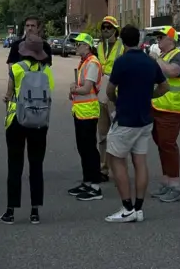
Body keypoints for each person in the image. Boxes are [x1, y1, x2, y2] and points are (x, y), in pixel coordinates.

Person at [103, 25, 170, 223]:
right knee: (140, 161)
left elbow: (109, 90)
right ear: (140, 41)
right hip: (145, 119)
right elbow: (165, 86)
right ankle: (139, 208)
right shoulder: (150, 62)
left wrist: (116, 99)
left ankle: (127, 207)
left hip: (126, 119)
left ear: (123, 41)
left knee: (116, 159)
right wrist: (150, 95)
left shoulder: (121, 62)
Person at [0, 34, 55, 225]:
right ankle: (35, 211)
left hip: (17, 120)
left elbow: (9, 94)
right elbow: (49, 95)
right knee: (36, 165)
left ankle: (10, 211)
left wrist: (7, 99)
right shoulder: (47, 71)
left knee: (15, 165)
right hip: (39, 121)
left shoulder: (16, 68)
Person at [149, 26, 180, 203]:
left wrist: (155, 60)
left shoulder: (179, 56)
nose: (157, 41)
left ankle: (175, 186)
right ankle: (167, 182)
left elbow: (173, 72)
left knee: (168, 144)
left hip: (174, 108)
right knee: (162, 144)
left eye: (161, 38)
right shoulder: (163, 56)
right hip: (159, 107)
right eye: (157, 38)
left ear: (171, 39)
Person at [67, 33, 104, 201]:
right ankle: (87, 181)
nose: (76, 47)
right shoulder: (84, 62)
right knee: (82, 147)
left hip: (88, 111)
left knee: (89, 148)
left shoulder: (93, 63)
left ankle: (95, 186)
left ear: (87, 46)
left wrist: (73, 89)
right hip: (80, 110)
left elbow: (87, 87)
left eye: (79, 44)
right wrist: (75, 89)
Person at [95, 16, 123, 181]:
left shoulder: (121, 46)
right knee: (102, 134)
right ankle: (103, 169)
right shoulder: (98, 46)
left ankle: (119, 170)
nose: (106, 30)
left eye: (109, 27)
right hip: (100, 93)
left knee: (118, 134)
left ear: (115, 30)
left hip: (116, 94)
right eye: (104, 27)